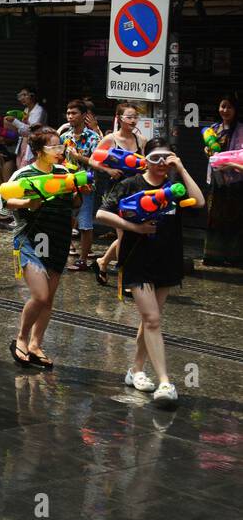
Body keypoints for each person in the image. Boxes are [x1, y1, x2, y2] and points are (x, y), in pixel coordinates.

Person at [97, 139, 204, 406]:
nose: (161, 164)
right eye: (155, 158)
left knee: (149, 321)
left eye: (166, 158)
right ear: (145, 159)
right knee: (153, 319)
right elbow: (101, 214)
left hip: (167, 260)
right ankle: (165, 382)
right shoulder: (130, 185)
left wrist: (181, 167)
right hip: (137, 260)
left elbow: (199, 201)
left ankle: (135, 369)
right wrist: (133, 228)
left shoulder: (174, 188)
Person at [4, 127, 82, 370]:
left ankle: (37, 344)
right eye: (54, 147)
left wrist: (80, 192)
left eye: (61, 146)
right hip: (30, 238)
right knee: (40, 295)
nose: (60, 151)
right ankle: (22, 337)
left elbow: (75, 203)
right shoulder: (24, 173)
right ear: (38, 151)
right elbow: (7, 200)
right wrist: (29, 202)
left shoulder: (65, 172)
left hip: (58, 237)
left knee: (49, 299)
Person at [92, 102, 146, 285]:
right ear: (119, 119)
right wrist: (108, 171)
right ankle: (128, 281)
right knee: (124, 236)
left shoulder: (141, 140)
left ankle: (103, 262)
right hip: (115, 192)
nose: (133, 120)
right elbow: (93, 160)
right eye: (129, 117)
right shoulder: (110, 139)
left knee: (128, 236)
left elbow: (145, 165)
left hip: (136, 193)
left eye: (135, 117)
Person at [59, 99, 103, 271]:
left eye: (74, 113)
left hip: (86, 186)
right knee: (66, 220)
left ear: (84, 115)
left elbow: (97, 163)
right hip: (66, 185)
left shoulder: (93, 138)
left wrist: (78, 157)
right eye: (68, 113)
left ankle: (83, 260)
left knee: (85, 224)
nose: (70, 116)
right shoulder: (64, 137)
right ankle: (67, 251)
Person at [203, 94, 242, 268]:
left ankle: (235, 257)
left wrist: (230, 164)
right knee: (215, 218)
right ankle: (214, 256)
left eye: (229, 107)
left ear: (236, 110)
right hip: (217, 182)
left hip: (236, 182)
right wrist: (208, 152)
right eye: (222, 106)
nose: (225, 110)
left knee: (236, 219)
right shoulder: (213, 129)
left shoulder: (241, 130)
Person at [9, 86, 47, 167]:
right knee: (19, 167)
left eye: (25, 95)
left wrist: (14, 121)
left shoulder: (39, 110)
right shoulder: (26, 110)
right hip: (23, 143)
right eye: (21, 95)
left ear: (32, 96)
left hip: (33, 145)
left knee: (26, 168)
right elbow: (22, 131)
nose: (22, 98)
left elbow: (31, 130)